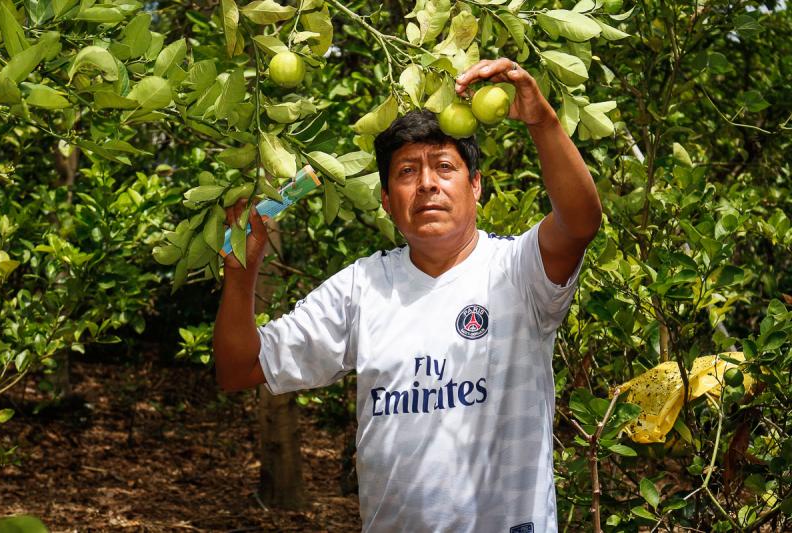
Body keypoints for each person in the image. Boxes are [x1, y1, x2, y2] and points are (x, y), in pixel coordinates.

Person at [213, 58, 602, 532]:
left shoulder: (517, 270)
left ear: (475, 185)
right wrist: (241, 273)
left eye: (444, 167)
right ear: (385, 200)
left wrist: (543, 120)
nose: (427, 185)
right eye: (406, 173)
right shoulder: (362, 287)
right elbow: (240, 368)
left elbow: (581, 221)